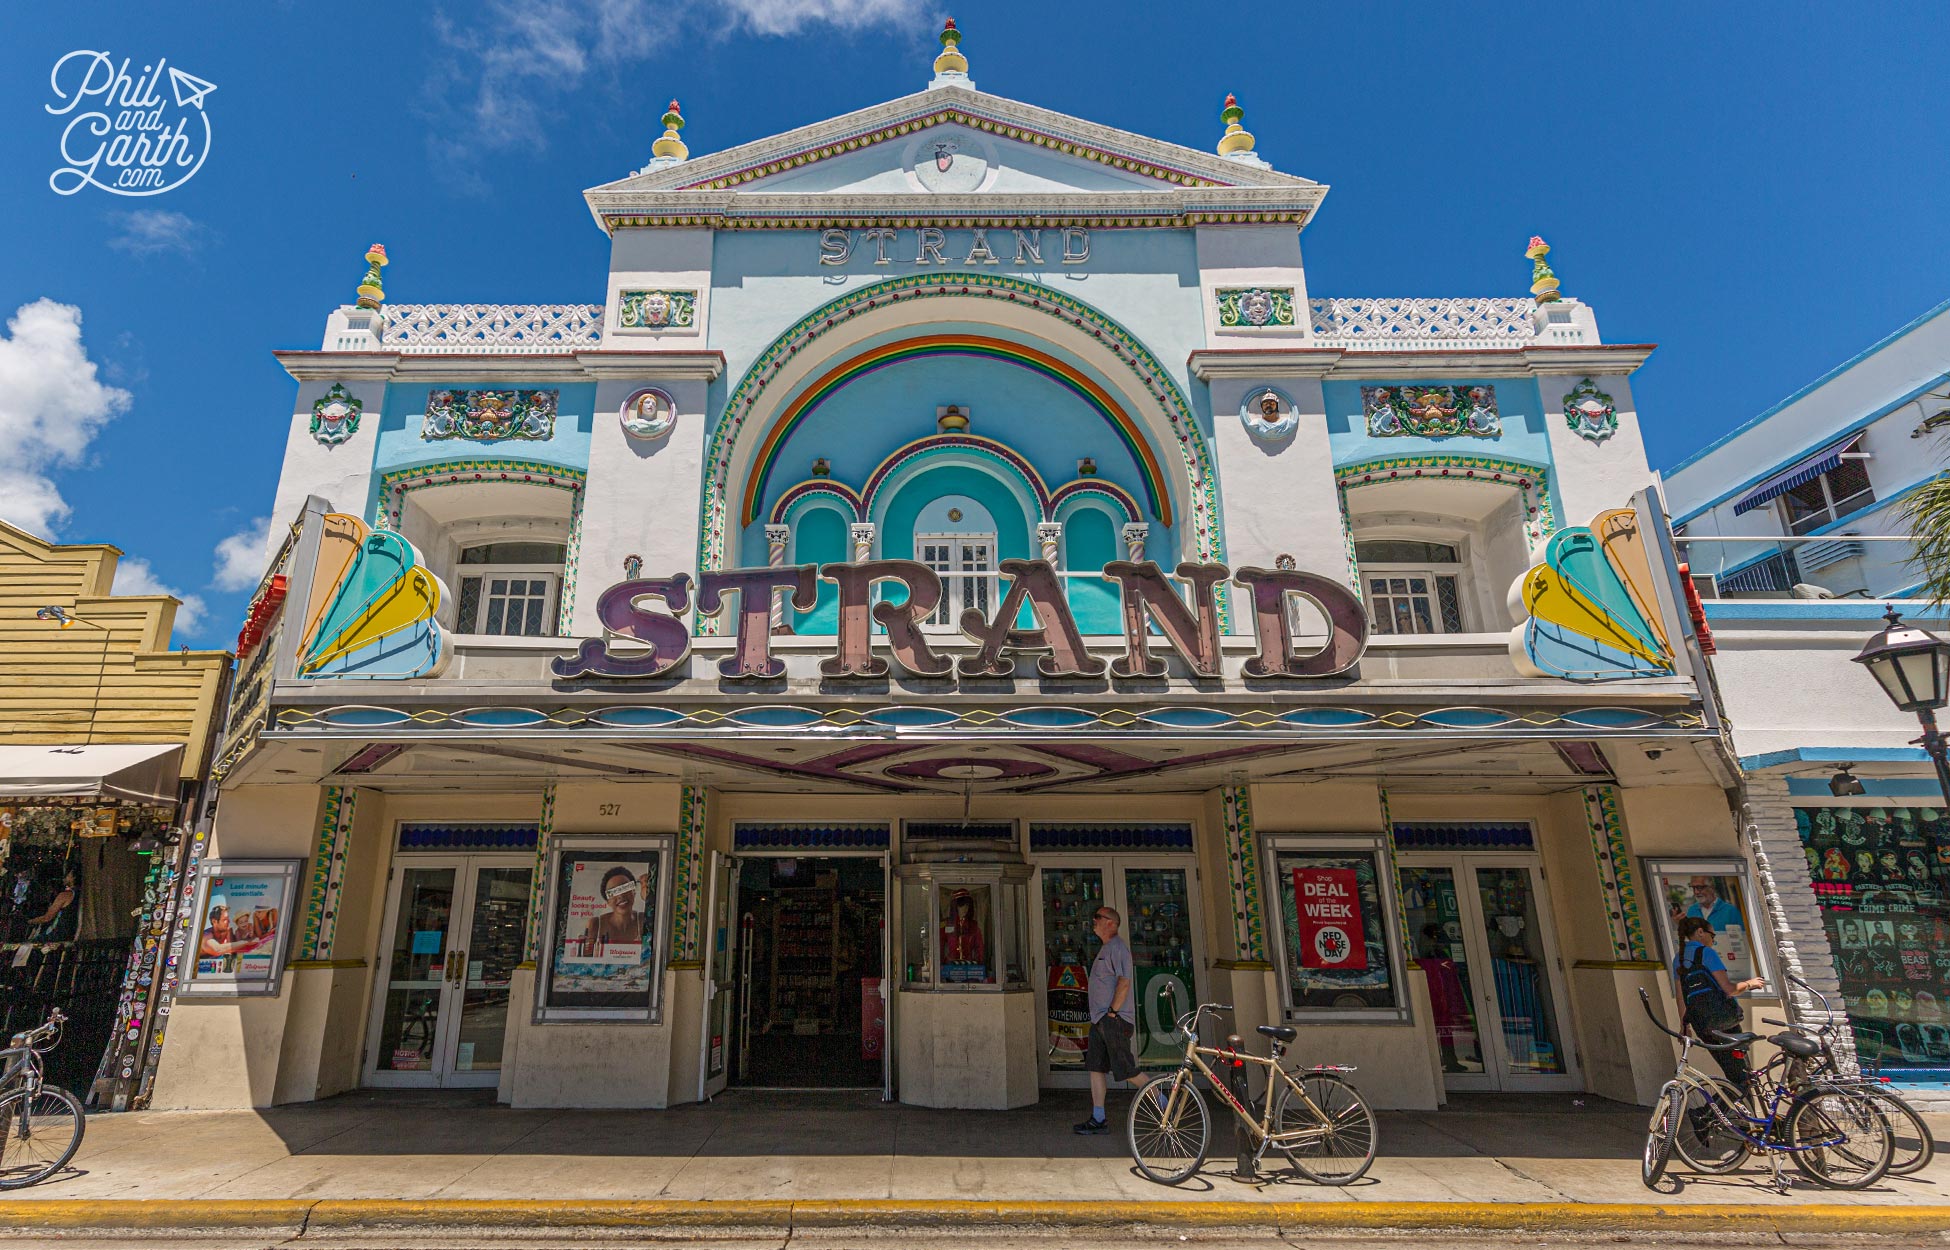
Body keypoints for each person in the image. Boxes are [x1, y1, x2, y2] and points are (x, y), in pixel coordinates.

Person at [1075, 905, 1149, 1134]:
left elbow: (1124, 982)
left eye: (1098, 917)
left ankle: (1164, 1103)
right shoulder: (1105, 949)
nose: (1094, 921)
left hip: (1113, 1020)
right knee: (1096, 1068)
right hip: (1100, 1020)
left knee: (1126, 1068)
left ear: (1111, 923)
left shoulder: (1118, 948)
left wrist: (1113, 1012)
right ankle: (1098, 1118)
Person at [1672, 916, 1765, 1091]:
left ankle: (1729, 1115)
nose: (1713, 940)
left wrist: (1684, 1025)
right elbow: (1729, 989)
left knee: (1734, 1074)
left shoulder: (1678, 959)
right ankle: (1709, 1116)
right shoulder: (1707, 953)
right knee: (1741, 1078)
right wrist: (1751, 983)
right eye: (1712, 935)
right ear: (1700, 932)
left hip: (1702, 1025)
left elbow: (1681, 996)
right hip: (1724, 1021)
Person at [1418, 923, 1473, 1073]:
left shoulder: (1441, 951)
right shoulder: (1426, 949)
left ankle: (1450, 1060)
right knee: (1437, 1027)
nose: (1437, 938)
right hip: (1434, 988)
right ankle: (1441, 1060)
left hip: (1445, 988)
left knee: (1445, 1027)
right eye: (1434, 934)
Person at [580, 865, 650, 954]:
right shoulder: (595, 924)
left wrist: (649, 894)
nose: (620, 896)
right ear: (607, 901)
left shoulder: (644, 920)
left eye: (625, 888)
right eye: (613, 892)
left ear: (634, 892)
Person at [24, 868, 78, 943]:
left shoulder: (65, 895)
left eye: (68, 875)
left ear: (73, 878)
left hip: (59, 933)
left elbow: (47, 917)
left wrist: (30, 921)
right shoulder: (78, 894)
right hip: (69, 932)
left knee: (29, 944)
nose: (65, 878)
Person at [940, 888, 987, 975]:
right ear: (955, 907)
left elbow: (979, 947)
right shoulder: (946, 924)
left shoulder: (973, 926)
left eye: (967, 906)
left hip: (969, 968)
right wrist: (940, 964)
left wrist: (979, 964)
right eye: (961, 905)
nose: (965, 909)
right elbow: (940, 946)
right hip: (950, 967)